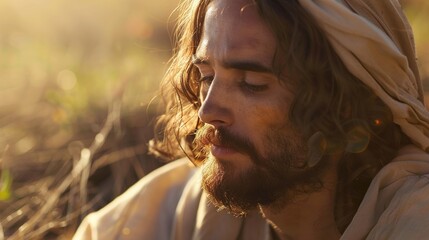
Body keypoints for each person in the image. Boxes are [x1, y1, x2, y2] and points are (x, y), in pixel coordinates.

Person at [73, 0, 429, 239]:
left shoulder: (414, 221)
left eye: (251, 84)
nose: (207, 111)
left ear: (347, 108)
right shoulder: (203, 202)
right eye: (207, 76)